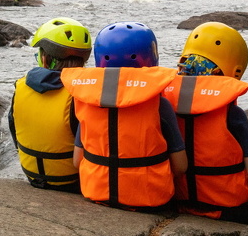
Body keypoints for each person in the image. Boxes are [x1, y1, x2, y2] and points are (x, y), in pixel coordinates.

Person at [61, 21, 187, 209]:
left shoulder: (87, 100)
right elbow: (180, 167)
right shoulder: (160, 105)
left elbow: (77, 161)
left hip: (96, 193)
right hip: (149, 199)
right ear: (151, 59)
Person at [162, 22, 248, 223]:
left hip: (179, 202)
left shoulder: (165, 105)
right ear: (235, 72)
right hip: (228, 210)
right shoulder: (234, 115)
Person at [8, 17, 92, 192]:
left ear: (45, 59)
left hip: (32, 175)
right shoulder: (83, 94)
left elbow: (15, 132)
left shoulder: (21, 86)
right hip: (72, 182)